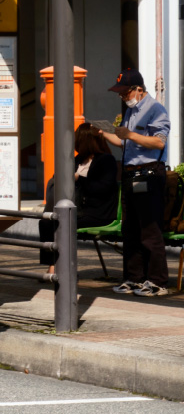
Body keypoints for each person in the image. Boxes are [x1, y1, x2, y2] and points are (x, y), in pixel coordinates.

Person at [100, 68, 172, 297]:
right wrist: (102, 133)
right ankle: (134, 278)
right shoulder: (131, 112)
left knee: (150, 231)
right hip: (131, 174)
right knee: (130, 230)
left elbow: (159, 143)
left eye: (125, 93)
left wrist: (129, 135)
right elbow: (126, 144)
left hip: (150, 174)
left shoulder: (155, 109)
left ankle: (158, 282)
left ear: (138, 89)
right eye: (120, 94)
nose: (122, 97)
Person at [39, 122, 119, 272]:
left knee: (61, 223)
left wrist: (79, 179)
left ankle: (58, 267)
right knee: (46, 222)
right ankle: (52, 264)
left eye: (78, 139)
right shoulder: (77, 160)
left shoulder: (106, 160)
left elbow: (103, 189)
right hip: (78, 208)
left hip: (97, 212)